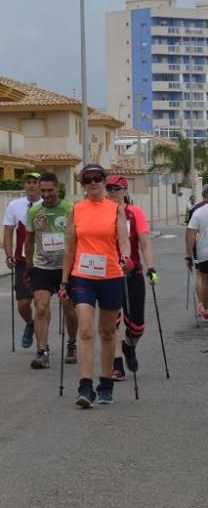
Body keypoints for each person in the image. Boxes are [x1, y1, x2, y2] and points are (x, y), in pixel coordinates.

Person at [60, 164, 130, 408]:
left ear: (104, 180)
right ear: (83, 185)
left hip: (111, 275)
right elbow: (69, 248)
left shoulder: (116, 210)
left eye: (97, 178)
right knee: (86, 330)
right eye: (87, 180)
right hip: (83, 276)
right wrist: (64, 281)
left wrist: (125, 257)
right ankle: (85, 386)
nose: (92, 183)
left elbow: (123, 240)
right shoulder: (76, 210)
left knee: (108, 332)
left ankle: (106, 384)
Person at [103, 176, 157, 380]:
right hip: (109, 273)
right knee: (112, 322)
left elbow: (144, 243)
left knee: (137, 326)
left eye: (116, 188)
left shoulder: (135, 213)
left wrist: (151, 268)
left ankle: (128, 346)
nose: (112, 192)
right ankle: (117, 365)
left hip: (132, 273)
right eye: (109, 188)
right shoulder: (103, 213)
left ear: (125, 191)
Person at [24, 172, 78, 369]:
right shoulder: (34, 212)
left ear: (58, 189)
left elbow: (78, 238)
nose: (46, 194)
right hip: (42, 267)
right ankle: (42, 351)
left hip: (66, 267)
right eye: (43, 190)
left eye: (50, 190)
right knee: (41, 307)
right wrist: (28, 267)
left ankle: (72, 344)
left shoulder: (70, 209)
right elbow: (29, 241)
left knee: (69, 309)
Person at [3, 172, 43, 349]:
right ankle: (30, 324)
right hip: (22, 261)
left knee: (40, 303)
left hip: (43, 261)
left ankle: (43, 344)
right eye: (28, 182)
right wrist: (9, 254)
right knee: (23, 304)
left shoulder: (47, 205)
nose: (32, 186)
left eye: (35, 182)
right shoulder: (14, 205)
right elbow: (8, 231)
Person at [185, 196, 208, 322]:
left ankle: (204, 307)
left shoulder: (197, 210)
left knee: (203, 279)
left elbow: (190, 233)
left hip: (203, 252)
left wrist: (188, 254)